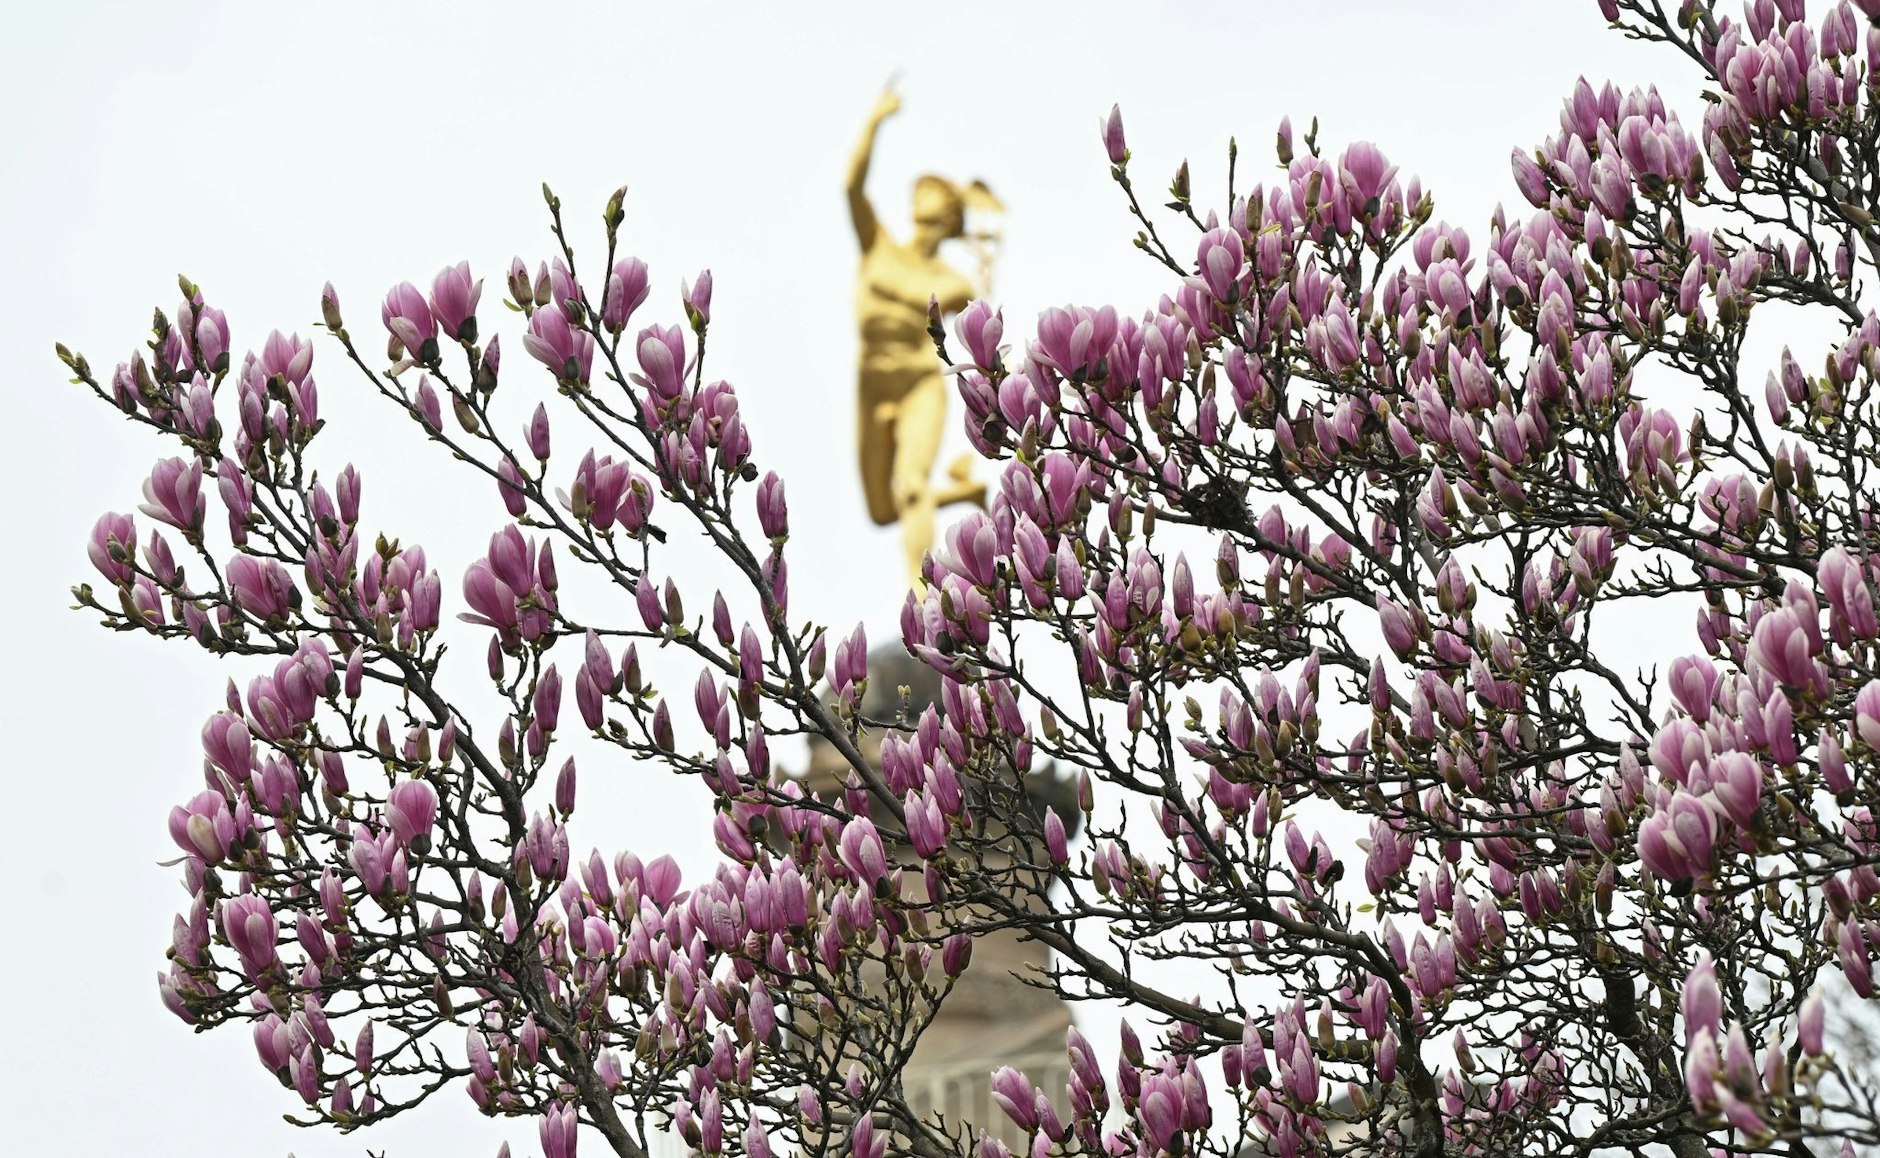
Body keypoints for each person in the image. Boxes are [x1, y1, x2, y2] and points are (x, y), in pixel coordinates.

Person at [846, 85, 987, 586]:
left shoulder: (954, 281)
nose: (920, 194)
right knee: (883, 511)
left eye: (934, 191)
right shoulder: (878, 246)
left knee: (910, 486)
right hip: (872, 382)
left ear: (948, 215)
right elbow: (852, 186)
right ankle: (964, 494)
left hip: (917, 382)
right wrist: (874, 120)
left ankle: (921, 591)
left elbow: (955, 309)